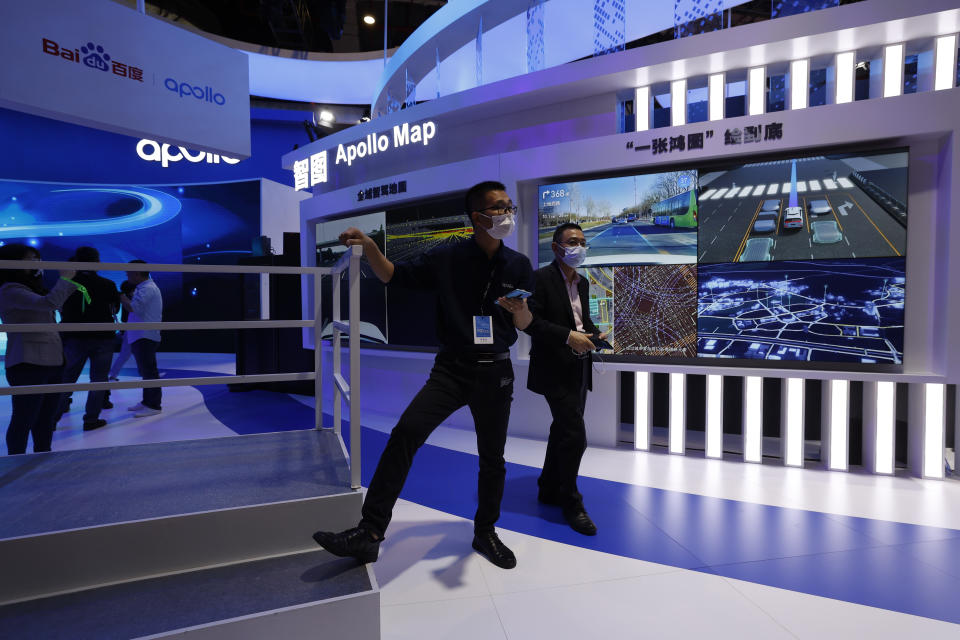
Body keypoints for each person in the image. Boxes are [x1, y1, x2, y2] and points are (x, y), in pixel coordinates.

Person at [312, 181, 536, 569]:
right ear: (477, 217)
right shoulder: (448, 257)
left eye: (508, 206)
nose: (506, 215)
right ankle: (370, 532)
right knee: (406, 434)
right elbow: (392, 276)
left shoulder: (518, 264)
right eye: (497, 208)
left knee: (492, 458)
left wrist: (518, 312)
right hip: (451, 368)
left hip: (496, 371)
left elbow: (526, 322)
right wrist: (370, 247)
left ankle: (486, 532)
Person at [526, 223, 606, 536]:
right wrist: (568, 337)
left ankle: (547, 487)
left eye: (583, 242)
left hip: (579, 367)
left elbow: (580, 320)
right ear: (556, 247)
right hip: (552, 369)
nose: (579, 247)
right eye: (573, 241)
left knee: (562, 428)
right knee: (576, 436)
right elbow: (532, 323)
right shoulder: (540, 278)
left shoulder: (582, 282)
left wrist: (593, 332)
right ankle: (571, 501)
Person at [0, 243, 77, 455]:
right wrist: (66, 279)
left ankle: (43, 458)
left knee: (46, 418)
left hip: (52, 360)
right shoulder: (10, 290)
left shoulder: (30, 287)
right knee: (24, 417)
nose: (36, 263)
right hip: (28, 362)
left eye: (37, 257)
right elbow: (48, 304)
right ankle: (16, 462)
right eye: (30, 258)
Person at [56, 247, 120, 431]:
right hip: (103, 337)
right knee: (98, 380)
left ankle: (51, 420)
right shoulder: (107, 284)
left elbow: (56, 304)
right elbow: (114, 309)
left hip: (74, 337)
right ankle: (91, 420)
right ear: (97, 262)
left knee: (67, 379)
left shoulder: (67, 283)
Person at [121, 260, 162, 417]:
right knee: (146, 371)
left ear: (137, 273)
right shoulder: (144, 288)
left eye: (128, 272)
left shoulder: (148, 289)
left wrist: (120, 297)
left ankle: (153, 405)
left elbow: (134, 308)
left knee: (149, 371)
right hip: (142, 335)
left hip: (145, 335)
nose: (126, 275)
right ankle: (147, 402)